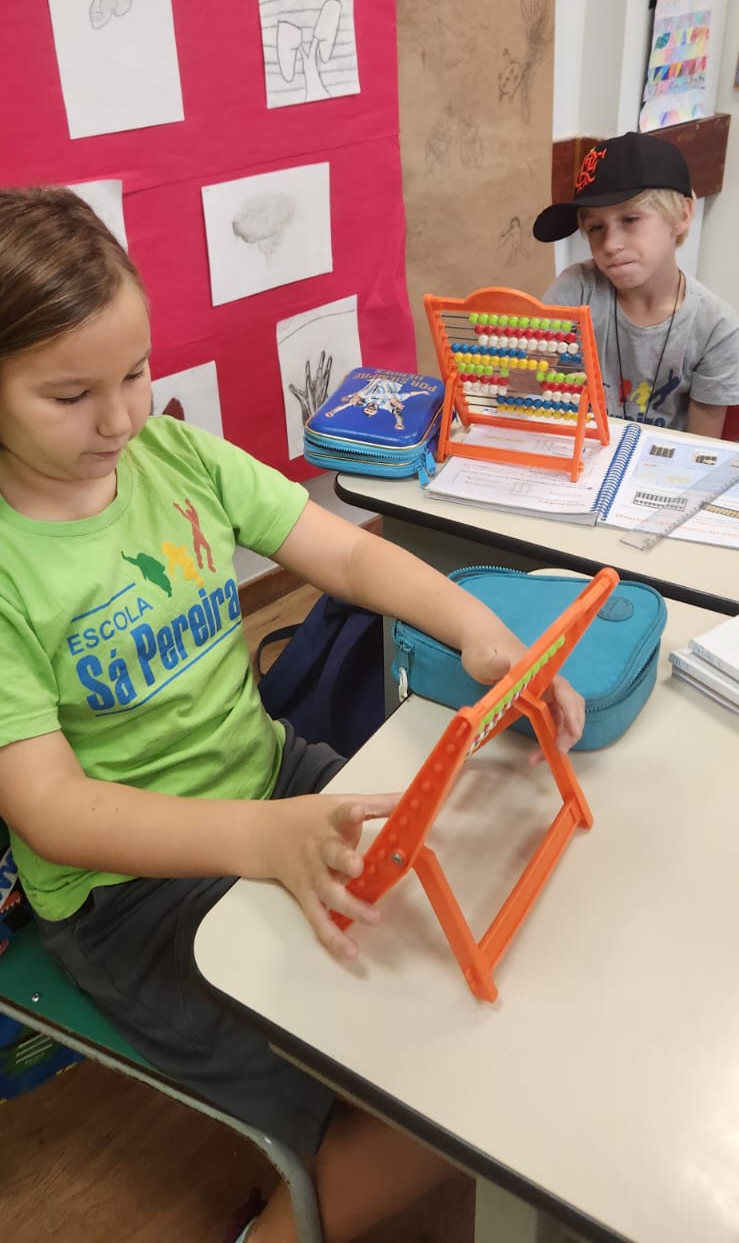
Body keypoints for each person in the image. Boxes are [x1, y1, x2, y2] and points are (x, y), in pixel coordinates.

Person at [0, 187, 584, 1243]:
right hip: (126, 896)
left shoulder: (173, 459)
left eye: (135, 373)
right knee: (438, 1107)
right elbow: (51, 810)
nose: (121, 419)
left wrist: (479, 629)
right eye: (71, 394)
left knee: (490, 946)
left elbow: (347, 554)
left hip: (272, 781)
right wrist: (259, 839)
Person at [533, 131, 739, 436]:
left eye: (630, 219)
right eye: (595, 227)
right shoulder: (575, 290)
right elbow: (523, 386)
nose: (610, 244)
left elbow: (700, 450)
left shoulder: (716, 329)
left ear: (682, 214)